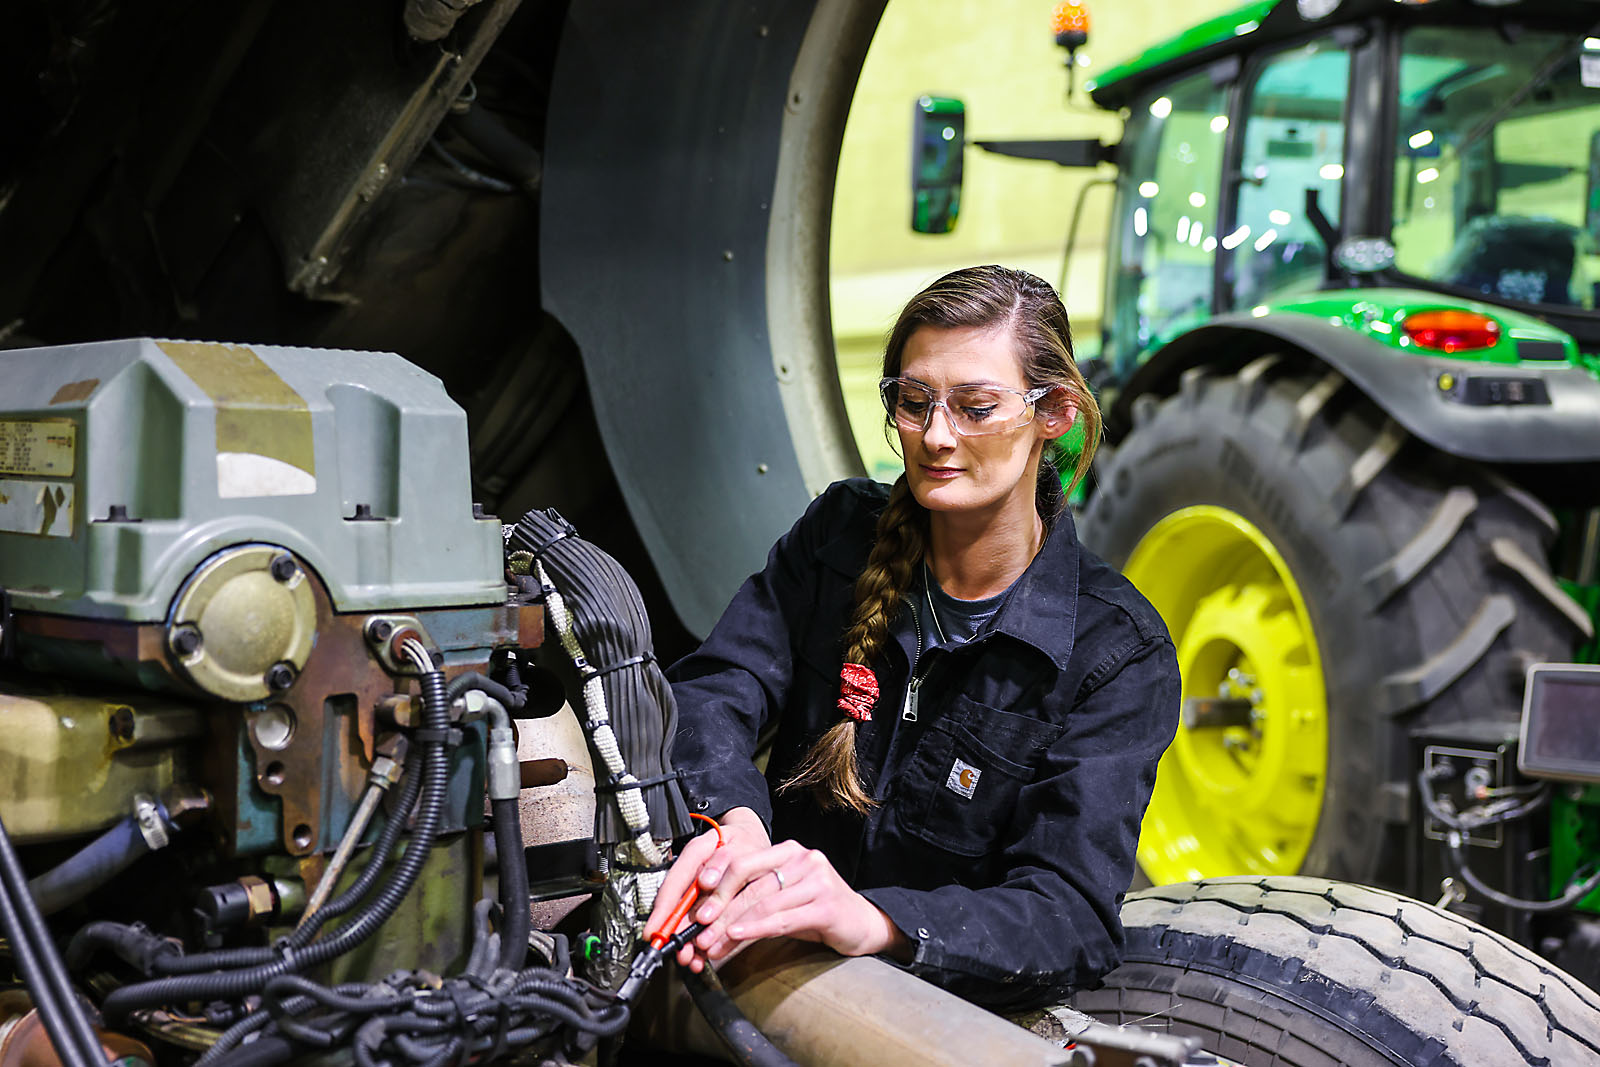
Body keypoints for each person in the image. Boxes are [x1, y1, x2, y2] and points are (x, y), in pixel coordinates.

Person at [646, 264, 1179, 1011]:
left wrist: (875, 921)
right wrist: (732, 820)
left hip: (940, 1011)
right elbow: (712, 688)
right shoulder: (838, 536)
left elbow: (1068, 913)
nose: (935, 436)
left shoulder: (1115, 653)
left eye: (975, 407)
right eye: (914, 401)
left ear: (1054, 411)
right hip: (755, 962)